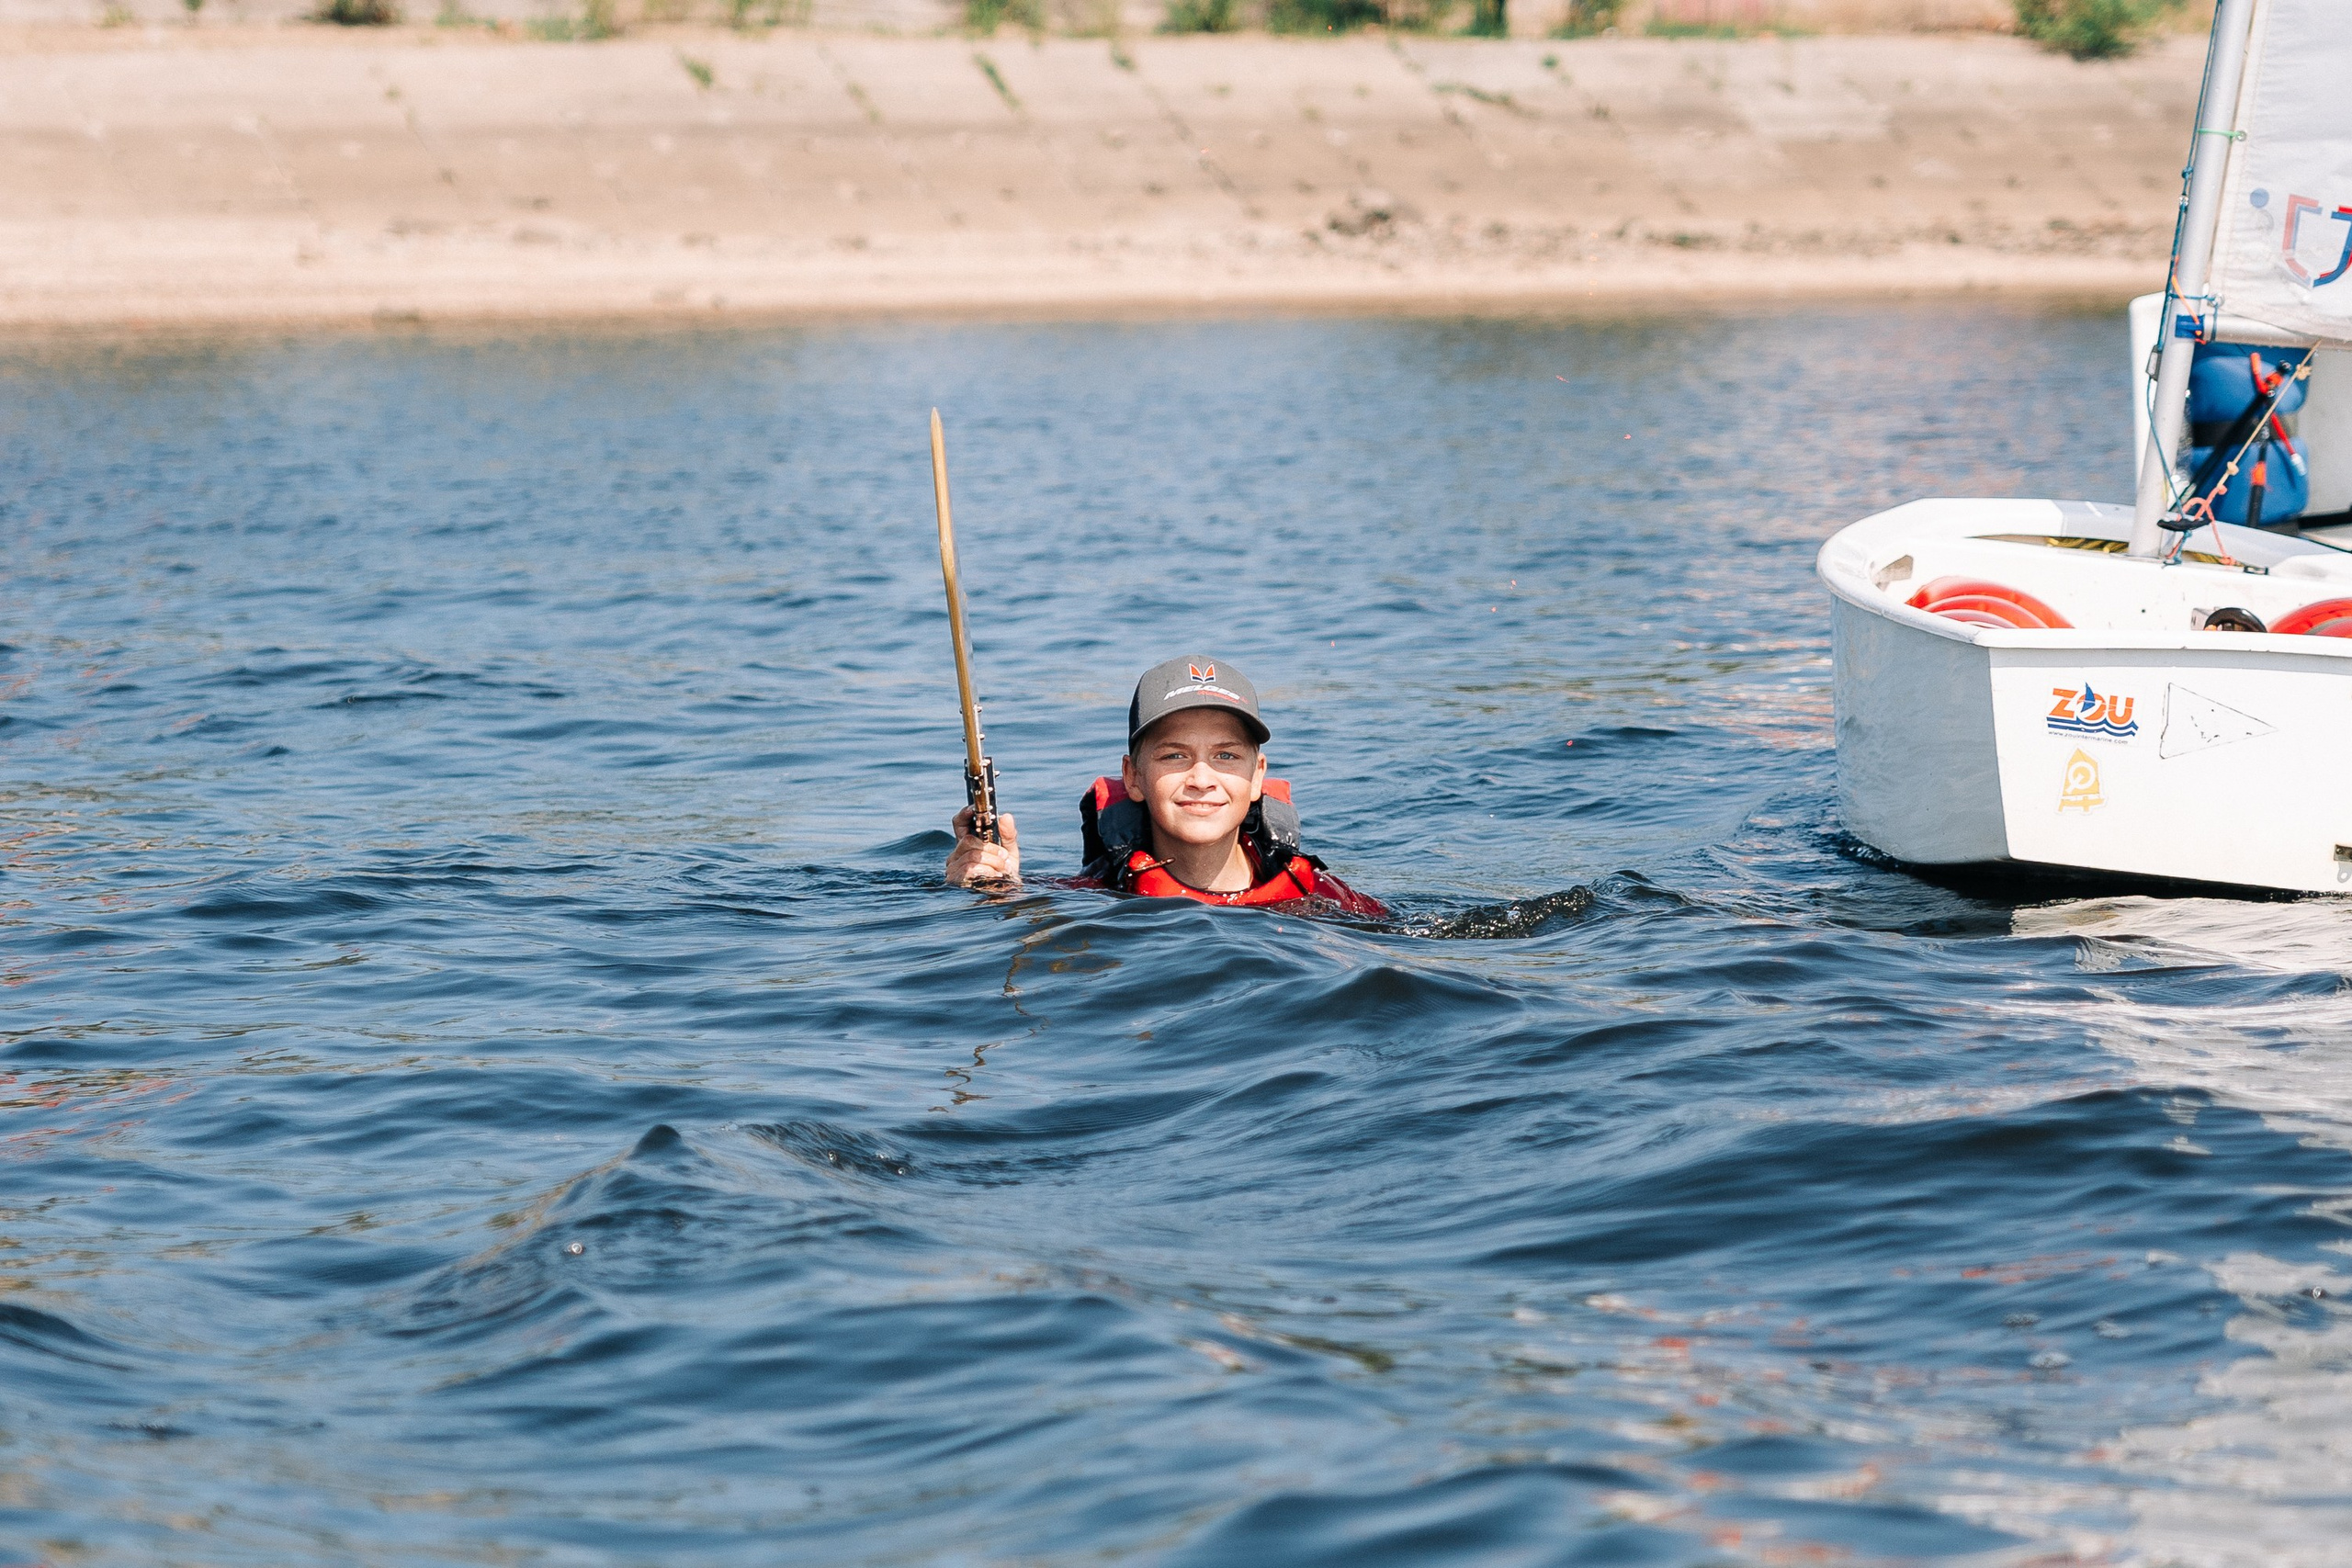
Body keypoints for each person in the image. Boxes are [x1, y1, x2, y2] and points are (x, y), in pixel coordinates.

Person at [944, 655, 1384, 915]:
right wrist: (991, 891)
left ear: (1257, 777)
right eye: (1174, 755)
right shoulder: (1093, 903)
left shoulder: (1325, 901)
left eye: (1226, 756)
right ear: (1133, 777)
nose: (1201, 779)